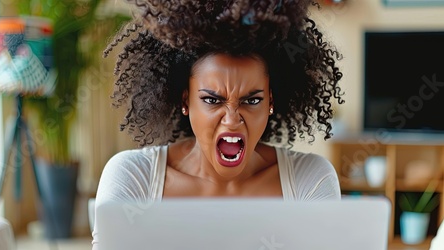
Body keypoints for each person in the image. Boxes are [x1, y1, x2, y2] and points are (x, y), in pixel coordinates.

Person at [92, 0, 344, 247]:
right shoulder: (135, 178)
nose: (232, 119)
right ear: (186, 101)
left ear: (270, 101)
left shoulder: (309, 181)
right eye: (212, 100)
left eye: (252, 100)